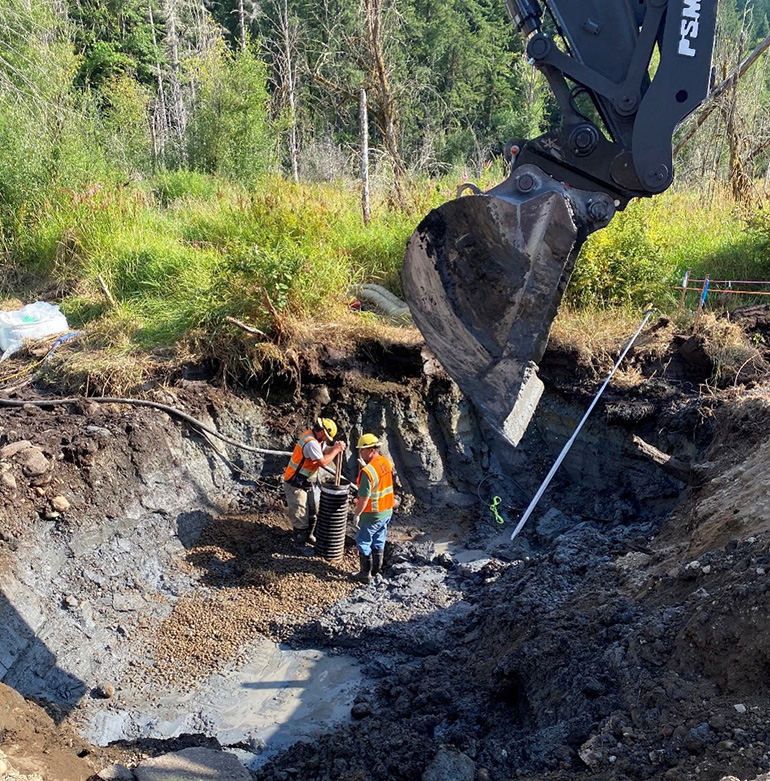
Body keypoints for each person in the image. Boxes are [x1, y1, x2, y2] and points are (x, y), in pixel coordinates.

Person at [283, 418, 346, 552]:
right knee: (300, 514)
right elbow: (323, 462)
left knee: (312, 511)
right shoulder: (311, 443)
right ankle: (300, 544)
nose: (326, 439)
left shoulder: (317, 440)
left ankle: (309, 536)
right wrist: (336, 450)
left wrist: (335, 448)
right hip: (295, 483)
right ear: (322, 431)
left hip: (306, 482)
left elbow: (324, 450)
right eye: (326, 436)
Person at [351, 433, 394, 584]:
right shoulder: (386, 462)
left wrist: (357, 514)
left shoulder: (367, 473)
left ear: (370, 450)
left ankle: (365, 574)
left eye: (362, 450)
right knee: (379, 539)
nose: (360, 453)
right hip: (387, 511)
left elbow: (363, 498)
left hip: (372, 514)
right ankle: (377, 571)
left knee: (363, 540)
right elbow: (382, 475)